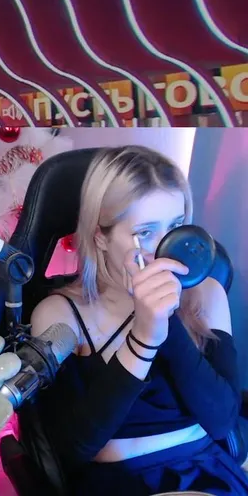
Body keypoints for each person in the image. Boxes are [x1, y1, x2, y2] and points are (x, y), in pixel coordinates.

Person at [26, 146, 243, 495]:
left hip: (207, 472)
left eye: (176, 227)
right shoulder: (61, 313)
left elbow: (222, 422)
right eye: (145, 233)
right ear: (101, 236)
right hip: (120, 481)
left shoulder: (207, 294)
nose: (165, 250)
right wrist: (143, 338)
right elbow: (73, 450)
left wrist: (167, 319)